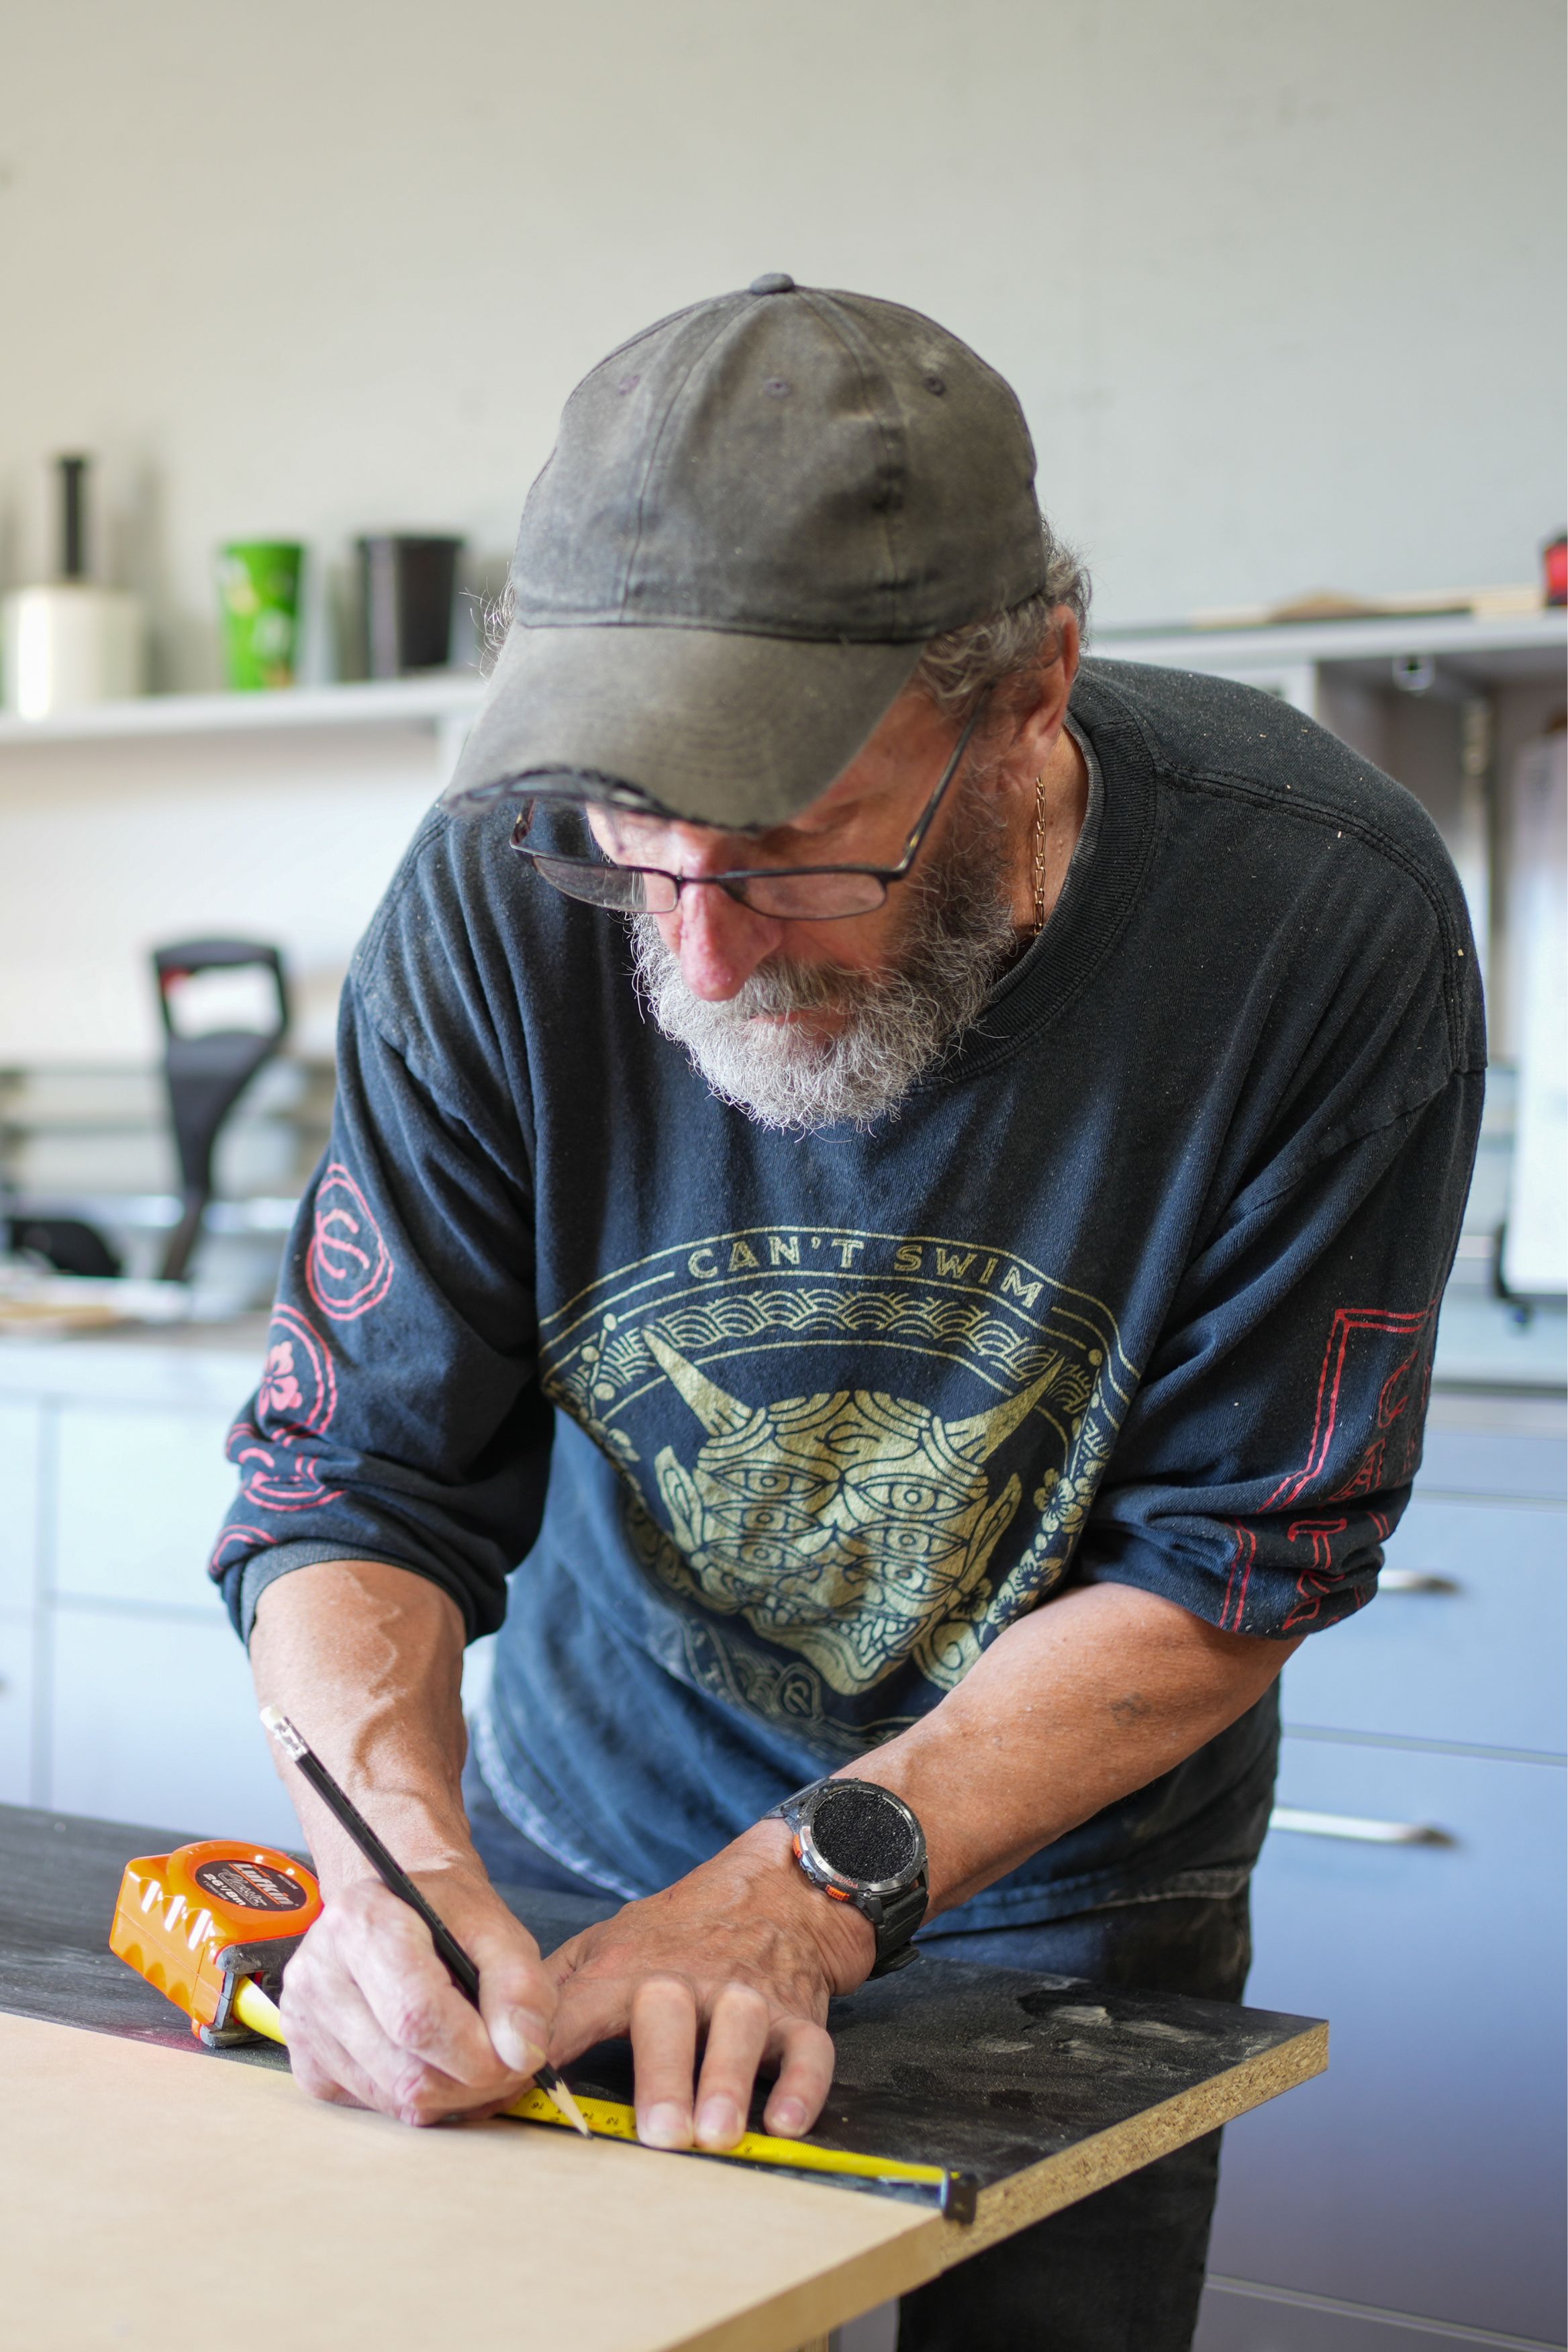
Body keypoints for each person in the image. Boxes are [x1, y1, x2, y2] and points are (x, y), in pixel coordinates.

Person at [214, 277, 1483, 2351]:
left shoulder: (1313, 920)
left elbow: (1239, 1557)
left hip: (1059, 1900)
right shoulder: (498, 889)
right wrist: (391, 1876)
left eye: (801, 850)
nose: (698, 958)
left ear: (1031, 694)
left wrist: (810, 1892)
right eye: (643, 849)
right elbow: (355, 1480)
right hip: (575, 1844)